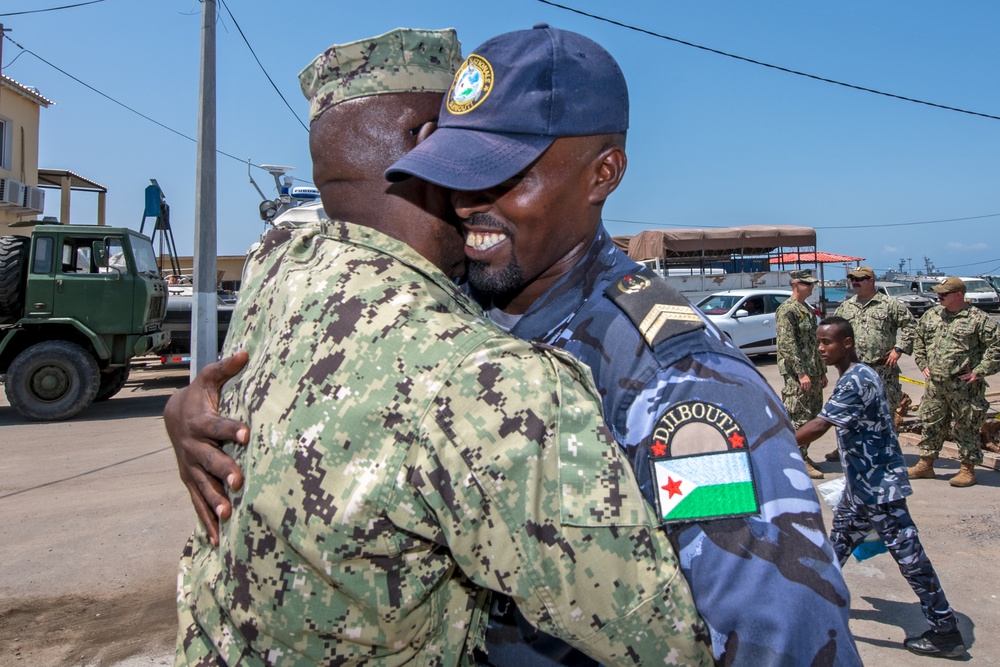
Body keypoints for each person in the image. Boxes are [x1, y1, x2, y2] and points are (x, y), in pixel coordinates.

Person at [170, 25, 860, 667]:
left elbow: (781, 633)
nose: (470, 200)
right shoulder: (450, 308)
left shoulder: (674, 380)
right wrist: (197, 410)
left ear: (603, 173)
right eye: (459, 166)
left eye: (508, 175)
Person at [795, 317, 966, 659]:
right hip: (861, 487)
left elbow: (819, 425)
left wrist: (768, 444)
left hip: (878, 488)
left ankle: (945, 631)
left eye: (827, 342)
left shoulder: (855, 380)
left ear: (847, 343)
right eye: (818, 342)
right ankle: (810, 608)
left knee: (910, 557)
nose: (821, 349)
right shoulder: (859, 373)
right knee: (837, 545)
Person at [909, 276, 1000, 487]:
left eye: (943, 294)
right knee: (931, 422)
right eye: (938, 293)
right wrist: (922, 362)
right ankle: (926, 463)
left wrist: (980, 371)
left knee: (966, 425)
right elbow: (918, 338)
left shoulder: (978, 319)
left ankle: (967, 468)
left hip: (964, 386)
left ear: (958, 295)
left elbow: (996, 347)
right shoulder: (931, 316)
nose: (938, 297)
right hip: (935, 384)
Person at [826, 266, 916, 462]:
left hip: (882, 368)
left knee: (885, 411)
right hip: (853, 370)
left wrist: (898, 349)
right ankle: (847, 448)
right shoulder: (846, 307)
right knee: (849, 410)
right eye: (853, 279)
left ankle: (885, 451)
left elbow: (911, 327)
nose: (855, 282)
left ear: (871, 280)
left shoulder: (890, 304)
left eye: (860, 279)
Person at [774, 268, 827, 478]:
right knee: (799, 415)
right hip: (799, 374)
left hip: (812, 370)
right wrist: (801, 373)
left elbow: (815, 343)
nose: (811, 287)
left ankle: (803, 453)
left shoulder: (806, 309)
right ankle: (797, 457)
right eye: (807, 284)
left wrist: (821, 371)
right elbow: (788, 345)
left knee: (813, 413)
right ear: (796, 285)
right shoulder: (788, 310)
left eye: (812, 283)